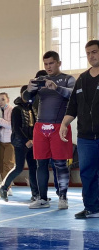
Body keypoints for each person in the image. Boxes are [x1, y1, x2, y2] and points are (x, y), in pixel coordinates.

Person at [23, 51, 75, 209]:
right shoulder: (41, 80)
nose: (48, 67)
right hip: (40, 126)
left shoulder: (68, 79)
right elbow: (26, 99)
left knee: (60, 163)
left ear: (59, 63)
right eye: (45, 64)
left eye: (51, 63)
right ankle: (42, 198)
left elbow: (74, 95)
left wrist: (57, 87)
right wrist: (29, 90)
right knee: (41, 163)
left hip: (59, 125)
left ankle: (63, 198)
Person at [60, 40, 99, 218]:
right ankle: (91, 208)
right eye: (88, 53)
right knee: (87, 173)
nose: (91, 56)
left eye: (95, 52)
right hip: (85, 137)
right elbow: (72, 106)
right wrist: (64, 123)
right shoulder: (82, 79)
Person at [0, 86, 38, 201]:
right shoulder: (16, 110)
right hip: (20, 143)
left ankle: (36, 194)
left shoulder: (33, 109)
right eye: (26, 93)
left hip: (32, 143)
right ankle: (4, 187)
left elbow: (36, 126)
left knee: (33, 167)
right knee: (19, 167)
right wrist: (26, 141)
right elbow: (16, 128)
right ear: (21, 94)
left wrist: (33, 140)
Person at [0, 92, 15, 194]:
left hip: (10, 141)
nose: (0, 102)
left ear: (8, 99)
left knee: (8, 164)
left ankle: (8, 187)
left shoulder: (12, 110)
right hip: (0, 141)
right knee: (0, 165)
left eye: (3, 99)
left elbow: (11, 125)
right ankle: (4, 184)